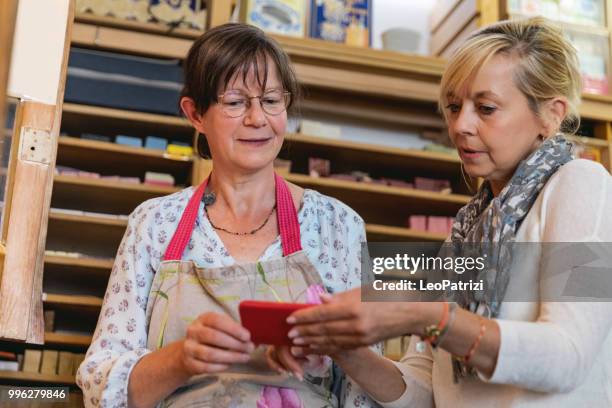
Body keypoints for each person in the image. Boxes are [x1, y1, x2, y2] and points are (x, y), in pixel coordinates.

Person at [271, 17, 612, 407]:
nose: (460, 125)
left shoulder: (584, 185)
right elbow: (422, 390)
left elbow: (570, 356)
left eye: (485, 108)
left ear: (550, 114)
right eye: (453, 106)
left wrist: (425, 313)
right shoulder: (467, 233)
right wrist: (341, 347)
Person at [76, 23, 382, 408]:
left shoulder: (340, 226)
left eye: (271, 100)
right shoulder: (154, 223)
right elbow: (99, 385)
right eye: (236, 102)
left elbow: (363, 392)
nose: (258, 119)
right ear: (196, 114)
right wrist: (182, 358)